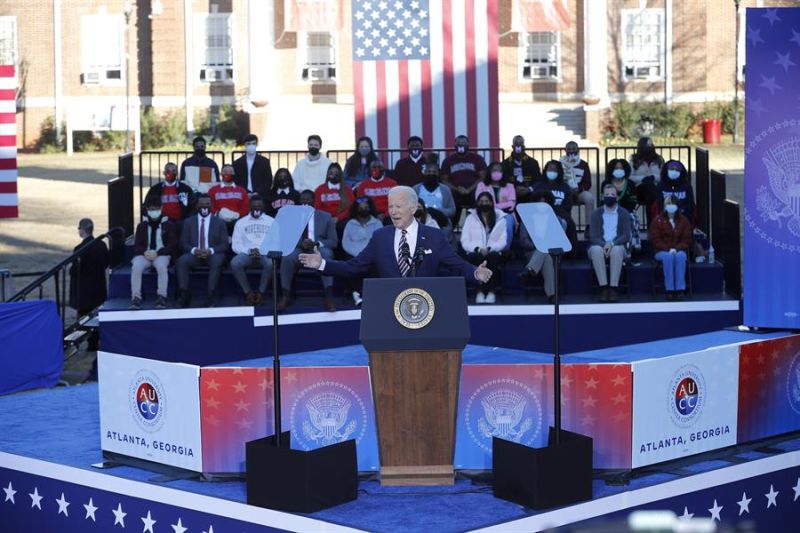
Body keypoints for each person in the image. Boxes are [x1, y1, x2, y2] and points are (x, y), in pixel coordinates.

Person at [298, 186, 493, 284]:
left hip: (427, 310)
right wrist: (322, 264)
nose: (393, 211)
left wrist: (476, 272)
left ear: (414, 207)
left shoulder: (434, 236)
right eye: (390, 206)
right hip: (389, 311)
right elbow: (353, 267)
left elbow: (457, 265)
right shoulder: (380, 237)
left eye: (398, 206)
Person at [278, 189, 339, 312]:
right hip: (299, 251)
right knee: (287, 256)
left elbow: (333, 241)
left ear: (314, 201)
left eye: (308, 199)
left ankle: (329, 297)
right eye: (302, 200)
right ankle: (286, 296)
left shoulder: (326, 217)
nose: (305, 202)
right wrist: (301, 243)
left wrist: (315, 244)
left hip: (317, 250)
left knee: (326, 254)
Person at [176, 194, 229, 308]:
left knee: (217, 262)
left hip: (212, 254)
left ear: (212, 205)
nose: (204, 206)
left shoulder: (220, 222)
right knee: (181, 261)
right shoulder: (188, 222)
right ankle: (184, 294)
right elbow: (183, 243)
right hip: (195, 254)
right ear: (197, 206)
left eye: (207, 204)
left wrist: (210, 250)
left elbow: (224, 244)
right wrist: (195, 250)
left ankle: (211, 295)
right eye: (202, 204)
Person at [130, 197, 177, 310]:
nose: (154, 212)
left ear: (161, 208)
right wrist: (144, 252)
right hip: (145, 254)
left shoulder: (168, 225)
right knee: (136, 266)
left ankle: (161, 296)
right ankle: (136, 297)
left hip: (161, 254)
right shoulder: (142, 226)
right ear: (147, 210)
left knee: (161, 266)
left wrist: (159, 252)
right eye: (151, 209)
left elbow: (172, 245)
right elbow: (137, 245)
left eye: (156, 209)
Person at [460, 192, 508, 303]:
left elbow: (503, 241)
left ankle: (491, 292)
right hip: (475, 251)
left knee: (493, 258)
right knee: (478, 258)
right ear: (477, 203)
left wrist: (490, 248)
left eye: (486, 201)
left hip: (493, 251)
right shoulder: (470, 218)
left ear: (492, 202)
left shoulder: (501, 218)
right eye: (481, 201)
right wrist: (478, 249)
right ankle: (480, 292)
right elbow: (464, 240)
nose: (484, 203)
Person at [588, 184, 631, 303]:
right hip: (599, 245)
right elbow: (593, 236)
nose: (610, 197)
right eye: (607, 194)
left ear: (617, 197)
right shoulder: (596, 213)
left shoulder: (624, 213)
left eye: (612, 194)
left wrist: (611, 244)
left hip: (617, 245)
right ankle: (603, 288)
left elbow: (626, 235)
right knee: (596, 250)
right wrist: (604, 245)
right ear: (602, 196)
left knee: (617, 250)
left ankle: (613, 288)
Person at [230, 195, 275, 306]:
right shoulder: (241, 222)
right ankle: (248, 293)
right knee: (235, 263)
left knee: (270, 264)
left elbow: (276, 243)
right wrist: (250, 251)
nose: (256, 208)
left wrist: (262, 251)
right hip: (247, 253)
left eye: (259, 206)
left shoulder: (272, 221)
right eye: (254, 206)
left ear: (264, 207)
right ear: (249, 206)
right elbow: (236, 244)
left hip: (265, 254)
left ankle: (260, 292)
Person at [520, 190, 562, 303]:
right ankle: (552, 295)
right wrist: (536, 245)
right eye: (539, 203)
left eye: (545, 203)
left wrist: (544, 246)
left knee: (547, 255)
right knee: (544, 255)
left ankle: (529, 269)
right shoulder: (527, 219)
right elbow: (523, 240)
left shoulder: (556, 219)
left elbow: (558, 240)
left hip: (551, 252)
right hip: (532, 253)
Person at [342, 196, 383, 306]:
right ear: (356, 209)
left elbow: (380, 242)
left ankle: (371, 294)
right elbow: (346, 243)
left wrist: (367, 255)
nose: (363, 209)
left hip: (372, 254)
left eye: (366, 207)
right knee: (350, 263)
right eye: (361, 207)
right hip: (354, 255)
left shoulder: (377, 223)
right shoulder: (350, 223)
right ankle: (356, 293)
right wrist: (357, 254)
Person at [650, 196, 692, 300]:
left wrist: (677, 249)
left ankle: (679, 289)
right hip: (661, 251)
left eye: (673, 204)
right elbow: (655, 240)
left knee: (681, 257)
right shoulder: (657, 220)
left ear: (678, 206)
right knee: (668, 257)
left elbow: (687, 239)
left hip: (679, 249)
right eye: (668, 204)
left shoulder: (684, 221)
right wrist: (668, 249)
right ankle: (669, 289)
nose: (670, 206)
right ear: (664, 206)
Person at [69, 218, 109, 316]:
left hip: (84, 295)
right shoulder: (102, 244)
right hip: (99, 291)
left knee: (83, 320)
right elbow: (106, 263)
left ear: (82, 230)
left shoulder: (79, 249)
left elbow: (75, 270)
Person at [441, 135, 487, 217]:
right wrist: (456, 189)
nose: (461, 145)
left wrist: (469, 189)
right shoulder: (448, 161)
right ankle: (451, 226)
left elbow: (482, 177)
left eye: (463, 143)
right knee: (451, 204)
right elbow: (444, 180)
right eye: (458, 143)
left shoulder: (477, 159)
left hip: (473, 191)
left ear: (468, 145)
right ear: (454, 146)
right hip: (455, 192)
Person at [144, 162, 193, 237]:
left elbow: (193, 205)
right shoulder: (155, 189)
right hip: (161, 221)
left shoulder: (185, 188)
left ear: (177, 172)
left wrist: (187, 217)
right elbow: (147, 204)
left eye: (173, 171)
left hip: (180, 221)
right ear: (163, 173)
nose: (170, 173)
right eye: (168, 171)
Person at [413, 162, 456, 243]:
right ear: (424, 173)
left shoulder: (445, 189)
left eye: (434, 172)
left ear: (438, 174)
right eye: (429, 172)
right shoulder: (416, 188)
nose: (431, 174)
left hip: (441, 220)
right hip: (421, 221)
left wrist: (437, 211)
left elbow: (452, 210)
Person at [628, 136, 664, 226]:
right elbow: (629, 176)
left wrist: (653, 177)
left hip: (656, 189)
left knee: (651, 190)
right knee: (648, 186)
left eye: (651, 144)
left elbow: (664, 175)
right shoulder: (634, 160)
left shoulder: (659, 160)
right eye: (648, 144)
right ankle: (651, 225)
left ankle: (652, 225)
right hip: (640, 190)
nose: (650, 146)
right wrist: (643, 178)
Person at [560, 141, 594, 225]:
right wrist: (566, 189)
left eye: (574, 149)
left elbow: (588, 182)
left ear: (578, 150)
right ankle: (566, 225)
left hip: (578, 192)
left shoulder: (583, 164)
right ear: (565, 150)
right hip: (564, 193)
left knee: (589, 198)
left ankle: (589, 227)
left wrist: (579, 189)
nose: (571, 151)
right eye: (569, 149)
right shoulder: (560, 164)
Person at [208, 164, 250, 232]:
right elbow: (210, 206)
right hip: (218, 222)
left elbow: (246, 208)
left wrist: (237, 215)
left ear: (234, 173)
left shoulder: (242, 191)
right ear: (221, 174)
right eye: (225, 172)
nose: (228, 174)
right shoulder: (213, 190)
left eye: (231, 172)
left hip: (237, 222)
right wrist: (218, 214)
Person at [501, 135, 542, 204]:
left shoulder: (532, 162)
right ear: (512, 147)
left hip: (529, 195)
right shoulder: (506, 163)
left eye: (520, 144)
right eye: (516, 144)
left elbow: (538, 180)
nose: (518, 146)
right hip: (511, 196)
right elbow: (504, 181)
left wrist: (528, 189)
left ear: (524, 147)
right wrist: (513, 190)